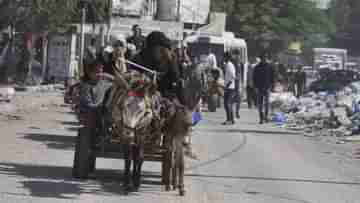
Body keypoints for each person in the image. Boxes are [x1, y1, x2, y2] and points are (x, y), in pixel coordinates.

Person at [253, 53, 274, 124]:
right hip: (259, 88)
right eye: (263, 58)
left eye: (265, 57)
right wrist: (255, 87)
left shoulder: (269, 66)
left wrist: (272, 85)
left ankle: (266, 116)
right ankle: (261, 118)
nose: (264, 59)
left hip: (267, 87)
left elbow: (272, 77)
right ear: (261, 59)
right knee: (260, 104)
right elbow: (254, 78)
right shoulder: (257, 67)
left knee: (267, 103)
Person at [222, 51, 236, 125]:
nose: (223, 58)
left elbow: (233, 77)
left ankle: (229, 120)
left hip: (230, 88)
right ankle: (231, 119)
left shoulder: (230, 65)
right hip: (228, 87)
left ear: (227, 57)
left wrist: (226, 87)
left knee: (227, 104)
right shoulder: (227, 65)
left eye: (224, 57)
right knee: (227, 104)